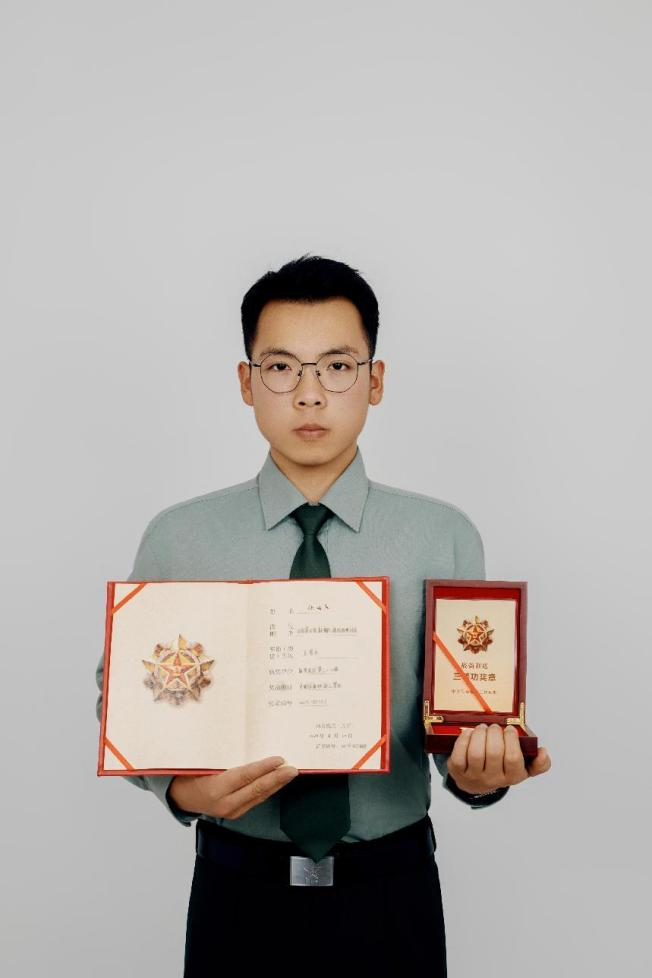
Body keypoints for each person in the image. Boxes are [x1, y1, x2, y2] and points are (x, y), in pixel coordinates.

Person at [95, 254, 551, 977]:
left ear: (376, 380)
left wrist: (481, 773)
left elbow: (461, 710)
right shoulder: (181, 537)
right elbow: (123, 697)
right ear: (246, 382)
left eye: (338, 367)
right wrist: (181, 790)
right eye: (281, 368)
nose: (310, 394)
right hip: (236, 890)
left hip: (392, 893)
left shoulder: (443, 535)